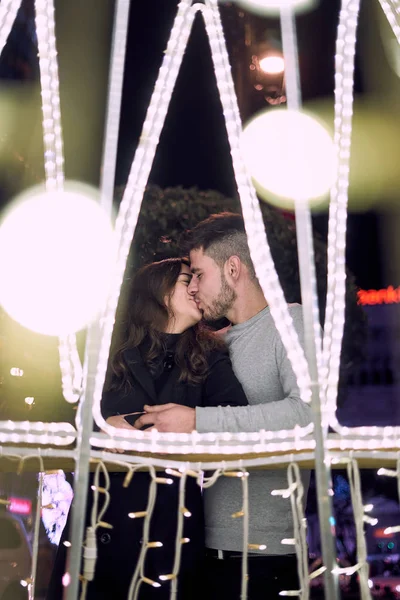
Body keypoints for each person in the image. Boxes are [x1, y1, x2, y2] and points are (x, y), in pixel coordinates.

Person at [47, 257, 248, 600]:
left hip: (172, 522)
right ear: (158, 289)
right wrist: (100, 427)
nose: (196, 289)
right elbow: (58, 416)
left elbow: (236, 418)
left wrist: (191, 423)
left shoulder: (210, 356)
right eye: (187, 280)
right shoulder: (107, 350)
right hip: (103, 517)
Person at [134, 214, 313, 599]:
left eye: (199, 274)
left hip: (270, 554)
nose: (193, 287)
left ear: (233, 268)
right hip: (200, 547)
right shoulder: (210, 345)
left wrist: (197, 421)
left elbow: (306, 417)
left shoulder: (290, 323)